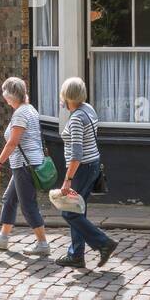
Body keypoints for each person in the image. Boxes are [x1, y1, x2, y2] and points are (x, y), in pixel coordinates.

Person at [54, 76, 119, 269]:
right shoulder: (88, 109)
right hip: (93, 164)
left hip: (81, 169)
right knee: (78, 210)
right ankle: (76, 255)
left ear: (67, 96)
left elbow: (76, 155)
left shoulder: (76, 119)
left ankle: (103, 243)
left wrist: (67, 180)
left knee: (69, 213)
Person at [0, 77, 51, 256]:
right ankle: (3, 238)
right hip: (26, 163)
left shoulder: (21, 113)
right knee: (9, 199)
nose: (4, 99)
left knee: (28, 205)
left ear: (10, 96)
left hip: (24, 165)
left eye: (5, 95)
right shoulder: (29, 109)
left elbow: (12, 143)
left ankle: (43, 243)